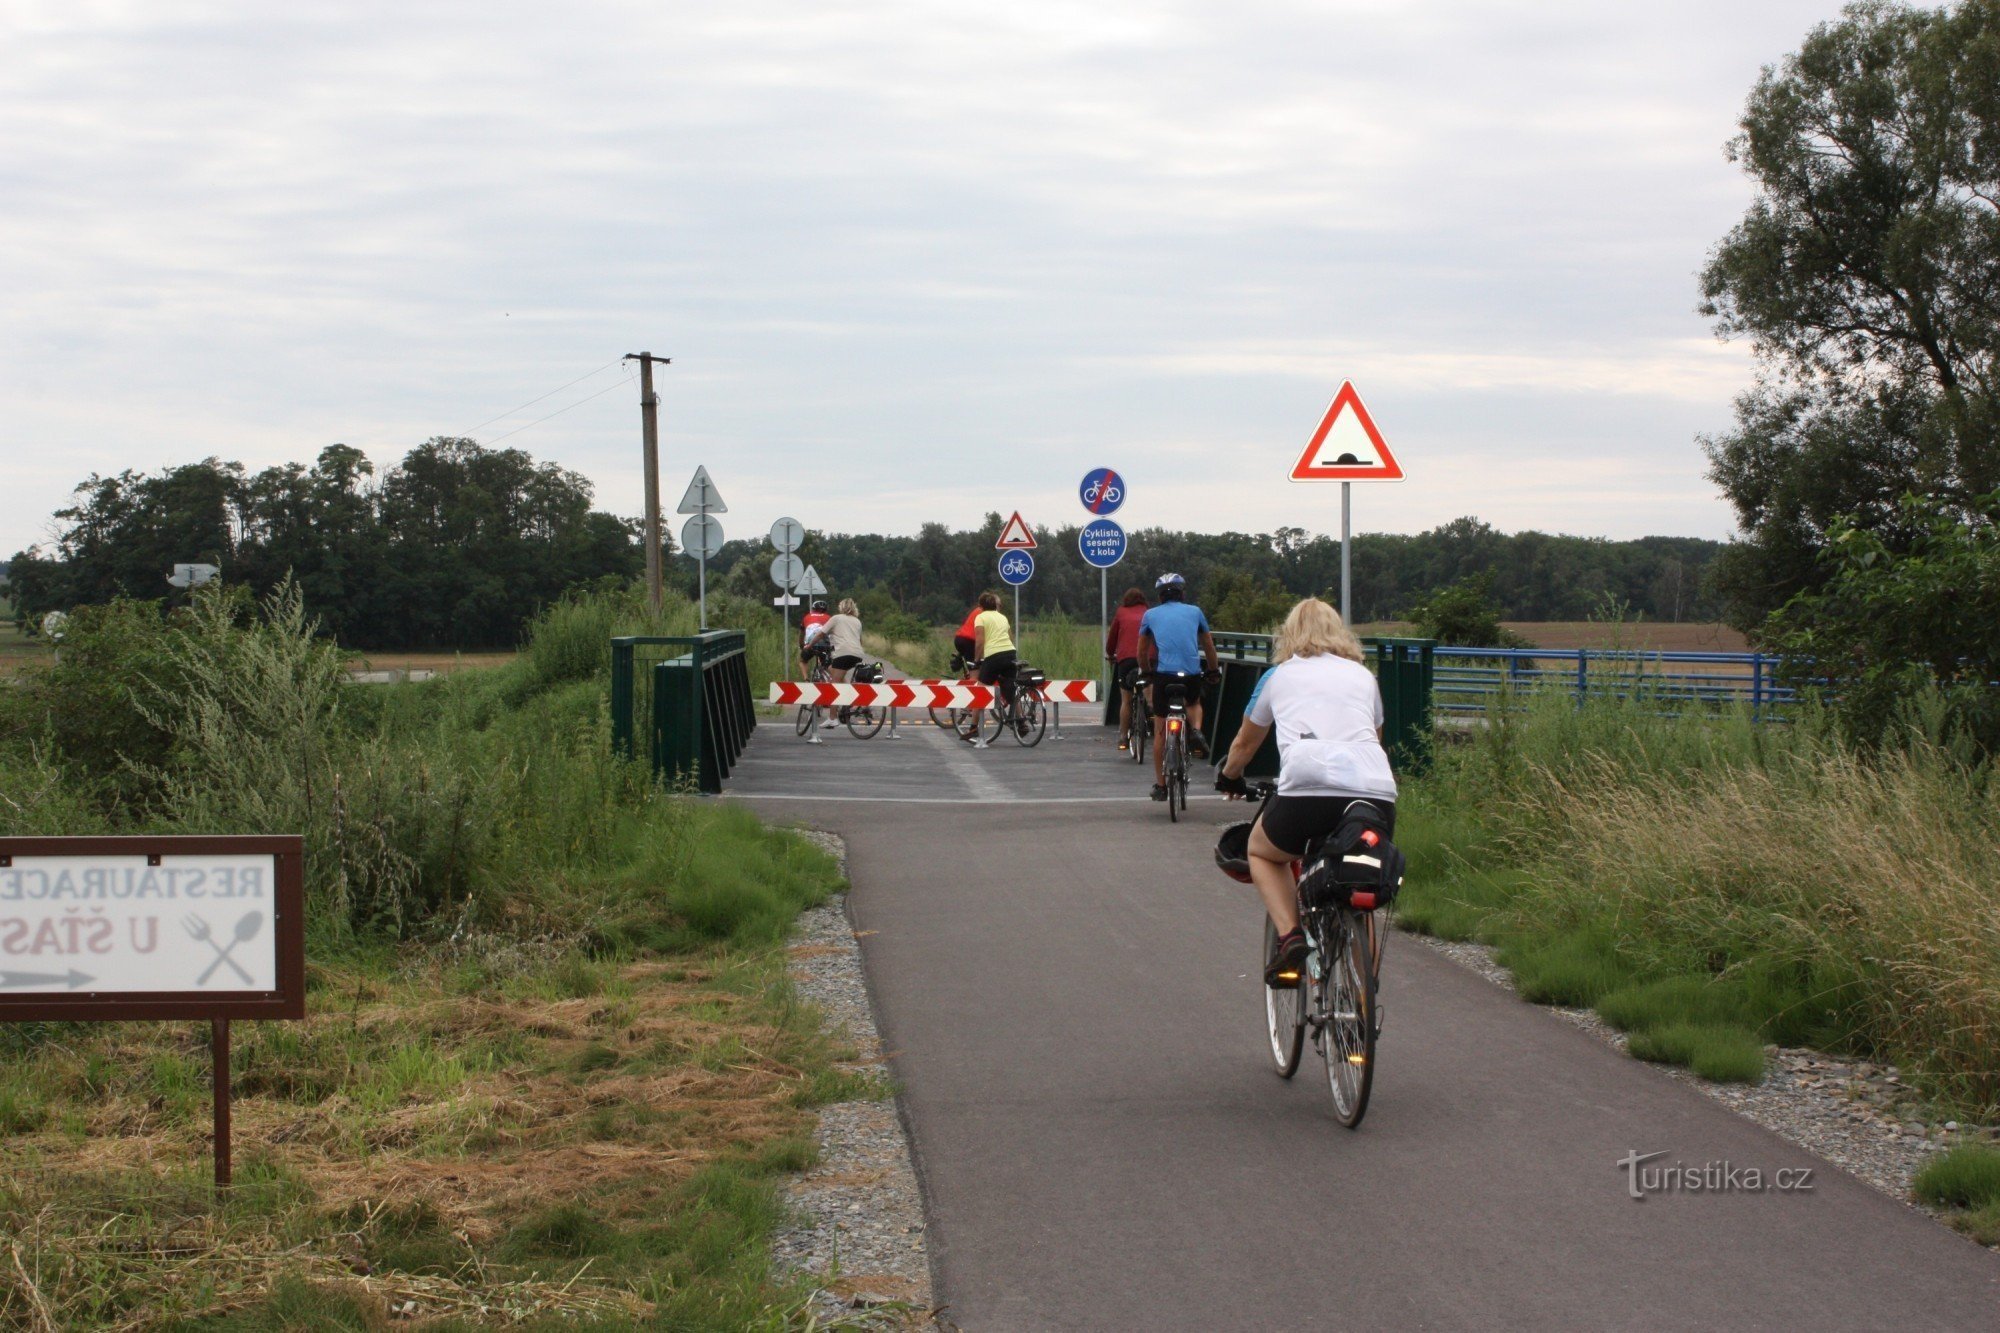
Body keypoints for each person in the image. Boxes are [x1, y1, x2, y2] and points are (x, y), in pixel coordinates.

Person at [1218, 597, 1397, 987]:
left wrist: (1230, 775)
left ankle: (1291, 936)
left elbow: (1245, 745)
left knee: (1261, 851)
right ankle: (1364, 1004)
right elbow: (1375, 738)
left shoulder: (1278, 676)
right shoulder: (1364, 678)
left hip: (1307, 788)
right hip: (1375, 792)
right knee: (1358, 880)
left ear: (1289, 634)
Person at [1138, 572, 1218, 800]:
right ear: (1182, 593)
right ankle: (1196, 731)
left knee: (1160, 730)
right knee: (1193, 702)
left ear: (1160, 596)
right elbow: (1209, 645)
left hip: (1164, 676)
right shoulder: (1195, 612)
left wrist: (1146, 672)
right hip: (1191, 674)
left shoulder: (1150, 615)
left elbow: (1141, 651)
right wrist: (1212, 670)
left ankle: (1161, 786)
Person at [966, 590, 1017, 748]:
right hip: (1010, 653)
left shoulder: (980, 617)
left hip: (994, 656)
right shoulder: (1002, 617)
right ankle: (1021, 722)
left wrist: (976, 660)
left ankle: (973, 727)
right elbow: (1010, 636)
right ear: (995, 605)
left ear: (980, 606)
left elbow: (980, 641)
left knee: (981, 690)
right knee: (1011, 688)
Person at [1104, 587, 1148, 751]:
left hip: (1126, 660)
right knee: (1151, 693)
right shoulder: (1148, 612)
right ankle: (1157, 729)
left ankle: (1123, 737)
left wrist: (1110, 654)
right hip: (1147, 659)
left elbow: (1112, 639)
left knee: (1126, 699)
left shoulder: (1121, 613)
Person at [818, 598, 868, 729]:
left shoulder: (836, 618)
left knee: (833, 686)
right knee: (832, 670)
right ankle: (848, 697)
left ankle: (832, 718)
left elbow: (821, 633)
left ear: (841, 607)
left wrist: (809, 645)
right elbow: (859, 640)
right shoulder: (857, 621)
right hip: (857, 654)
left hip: (842, 653)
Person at [799, 600, 832, 670]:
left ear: (813, 609)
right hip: (825, 644)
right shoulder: (829, 617)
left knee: (803, 661)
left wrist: (801, 645)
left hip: (810, 644)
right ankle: (831, 678)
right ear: (826, 610)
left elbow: (801, 634)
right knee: (828, 664)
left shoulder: (807, 617)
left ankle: (806, 680)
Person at [952, 602, 981, 674]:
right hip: (969, 641)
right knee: (975, 670)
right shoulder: (986, 613)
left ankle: (969, 676)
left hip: (959, 638)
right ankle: (973, 679)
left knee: (972, 666)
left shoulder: (977, 610)